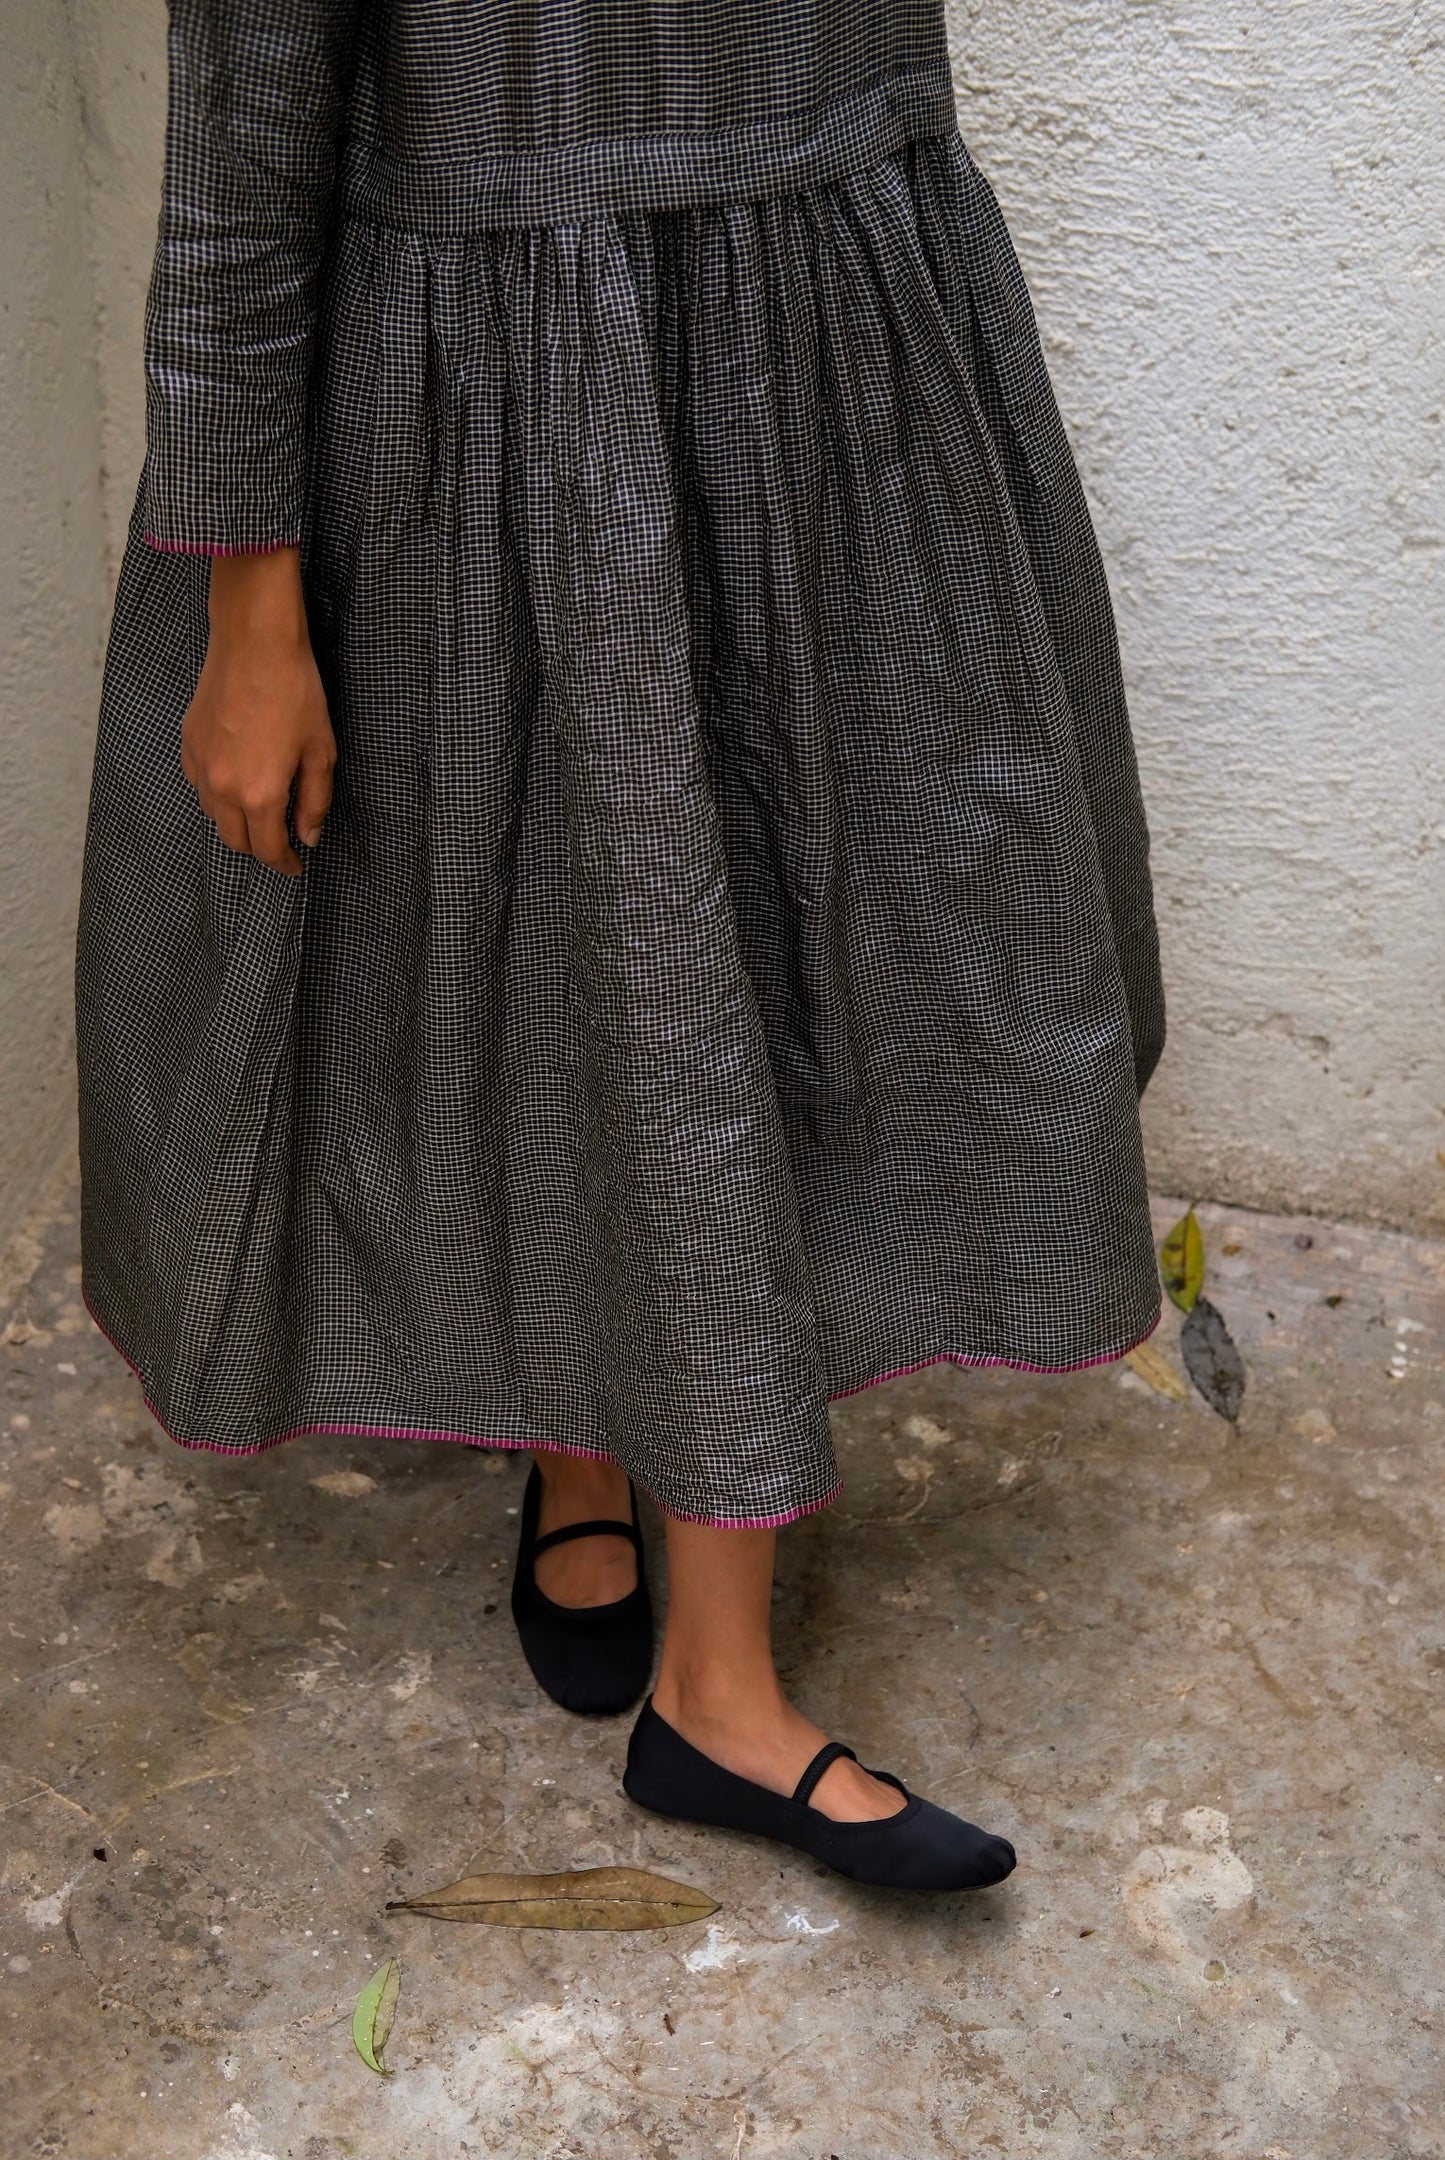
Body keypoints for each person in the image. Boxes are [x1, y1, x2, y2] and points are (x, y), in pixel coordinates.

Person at [77, 0, 1166, 1894]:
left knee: (753, 972)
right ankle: (587, 1461)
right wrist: (249, 604)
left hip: (815, 362)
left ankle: (708, 1684)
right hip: (487, 409)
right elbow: (241, 160)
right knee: (568, 977)